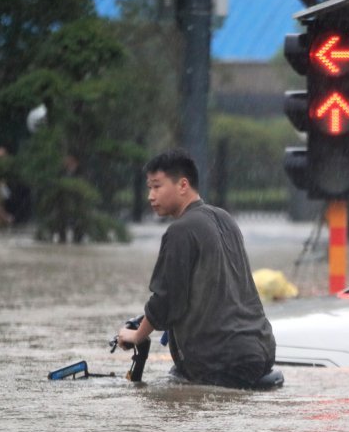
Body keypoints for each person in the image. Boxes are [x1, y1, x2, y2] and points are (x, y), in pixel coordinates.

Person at [115, 149, 277, 388]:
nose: (150, 196)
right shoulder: (225, 218)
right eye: (149, 188)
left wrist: (137, 334)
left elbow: (166, 301)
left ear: (183, 185)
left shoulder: (180, 230)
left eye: (157, 187)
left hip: (218, 362)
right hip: (261, 351)